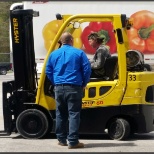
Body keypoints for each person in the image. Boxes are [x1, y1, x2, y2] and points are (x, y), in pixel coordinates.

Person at [46, 32, 91, 149]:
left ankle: (61, 139)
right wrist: (84, 83)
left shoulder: (53, 54)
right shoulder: (79, 53)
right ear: (71, 40)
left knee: (60, 114)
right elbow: (87, 70)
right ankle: (73, 141)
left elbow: (48, 71)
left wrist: (55, 82)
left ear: (61, 41)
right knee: (74, 114)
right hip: (74, 87)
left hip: (59, 88)